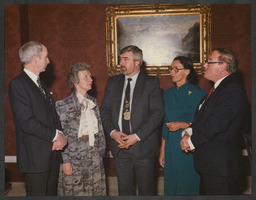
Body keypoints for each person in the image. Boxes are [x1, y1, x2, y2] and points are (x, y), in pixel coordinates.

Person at [180, 48, 248, 195]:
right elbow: (200, 120)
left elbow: (215, 124)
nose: (204, 65)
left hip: (221, 168)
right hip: (211, 167)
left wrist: (191, 142)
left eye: (209, 62)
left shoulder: (232, 89)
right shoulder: (217, 89)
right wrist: (187, 133)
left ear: (223, 66)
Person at [100, 45, 164, 196]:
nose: (121, 62)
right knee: (124, 193)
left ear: (137, 62)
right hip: (120, 147)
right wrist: (113, 132)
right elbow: (105, 110)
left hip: (143, 147)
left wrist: (136, 136)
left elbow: (157, 113)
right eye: (120, 59)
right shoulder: (113, 82)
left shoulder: (151, 83)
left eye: (125, 59)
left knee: (146, 192)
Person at [8, 41, 67, 196]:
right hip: (35, 158)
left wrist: (60, 135)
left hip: (51, 154)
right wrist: (56, 136)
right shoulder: (18, 84)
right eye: (46, 57)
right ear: (35, 59)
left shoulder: (41, 84)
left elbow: (53, 116)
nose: (48, 61)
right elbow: (27, 123)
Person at [56, 62, 106, 196]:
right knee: (76, 191)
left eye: (90, 77)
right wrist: (65, 161)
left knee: (96, 191)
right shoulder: (63, 105)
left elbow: (100, 129)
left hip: (94, 154)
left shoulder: (93, 102)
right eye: (86, 77)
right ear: (75, 81)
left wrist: (101, 152)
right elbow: (60, 135)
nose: (91, 80)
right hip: (74, 156)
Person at [159, 56, 206, 195]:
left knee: (188, 185)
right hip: (170, 146)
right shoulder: (168, 94)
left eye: (176, 69)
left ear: (187, 71)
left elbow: (203, 123)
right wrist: (162, 151)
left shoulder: (199, 93)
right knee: (171, 185)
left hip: (188, 145)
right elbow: (165, 124)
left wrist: (183, 125)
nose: (172, 72)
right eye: (171, 69)